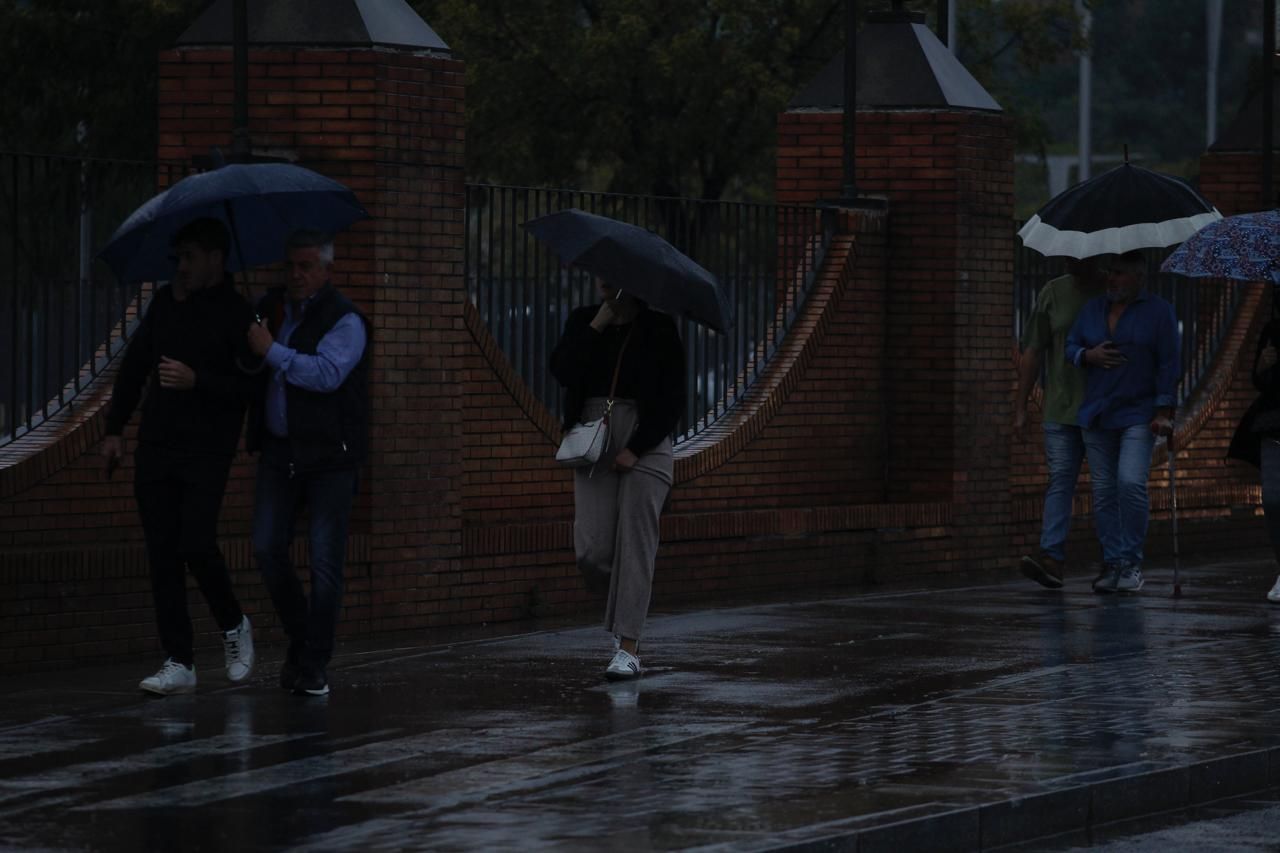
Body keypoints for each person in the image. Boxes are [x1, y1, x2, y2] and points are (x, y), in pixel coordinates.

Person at [100, 217, 258, 696]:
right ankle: (178, 660)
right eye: (177, 259)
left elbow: (248, 388)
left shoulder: (237, 314)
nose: (181, 267)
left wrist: (198, 381)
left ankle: (233, 623)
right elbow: (134, 368)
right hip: (158, 444)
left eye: (189, 257)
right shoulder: (166, 304)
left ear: (215, 258)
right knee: (162, 553)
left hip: (207, 449)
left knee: (195, 542)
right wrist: (114, 429)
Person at [246, 230, 369, 697]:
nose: (295, 275)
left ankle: (315, 662)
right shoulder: (273, 310)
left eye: (305, 267)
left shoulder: (345, 320)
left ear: (325, 270)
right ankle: (303, 638)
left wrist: (271, 350)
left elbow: (326, 374)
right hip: (281, 452)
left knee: (324, 564)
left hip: (328, 458)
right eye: (290, 266)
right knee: (266, 547)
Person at [550, 280, 685, 680]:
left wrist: (638, 447)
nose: (603, 283)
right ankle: (626, 607)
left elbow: (673, 398)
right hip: (594, 436)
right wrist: (597, 325)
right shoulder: (584, 321)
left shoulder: (658, 328)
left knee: (636, 543)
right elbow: (562, 370)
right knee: (592, 550)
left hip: (646, 437)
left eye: (614, 277)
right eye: (600, 276)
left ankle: (628, 645)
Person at [1065, 251, 1179, 594]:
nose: (1111, 279)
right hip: (1098, 412)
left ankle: (1131, 562)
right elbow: (1070, 345)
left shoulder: (1159, 312)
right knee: (1103, 492)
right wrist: (1087, 355)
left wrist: (1164, 410)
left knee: (1129, 482)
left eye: (1119, 273)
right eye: (1109, 273)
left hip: (1139, 413)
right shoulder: (1093, 309)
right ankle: (1112, 561)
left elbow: (1169, 363)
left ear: (1138, 277)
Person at [1015, 259, 1103, 588]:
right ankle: (1051, 557)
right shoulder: (1053, 292)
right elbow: (1032, 351)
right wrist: (1021, 406)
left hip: (1102, 408)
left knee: (1107, 487)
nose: (1072, 260)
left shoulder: (1112, 290)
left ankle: (1116, 560)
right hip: (1061, 407)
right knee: (1060, 480)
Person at [1227, 305, 1280, 603]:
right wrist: (1262, 365)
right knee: (1272, 499)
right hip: (1273, 423)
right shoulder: (1273, 329)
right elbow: (1258, 382)